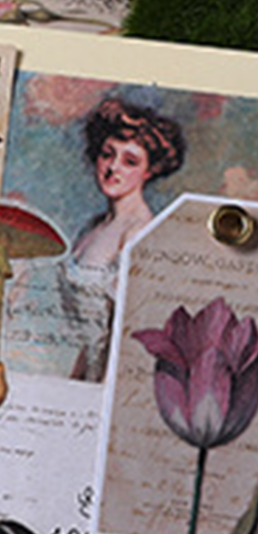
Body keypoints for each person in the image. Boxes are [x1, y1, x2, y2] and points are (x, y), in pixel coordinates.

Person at [61, 95, 184, 381]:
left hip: (109, 376)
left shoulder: (139, 232)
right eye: (107, 154)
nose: (113, 168)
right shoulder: (94, 226)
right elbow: (91, 334)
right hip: (84, 369)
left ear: (149, 171)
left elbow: (123, 330)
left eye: (130, 161)